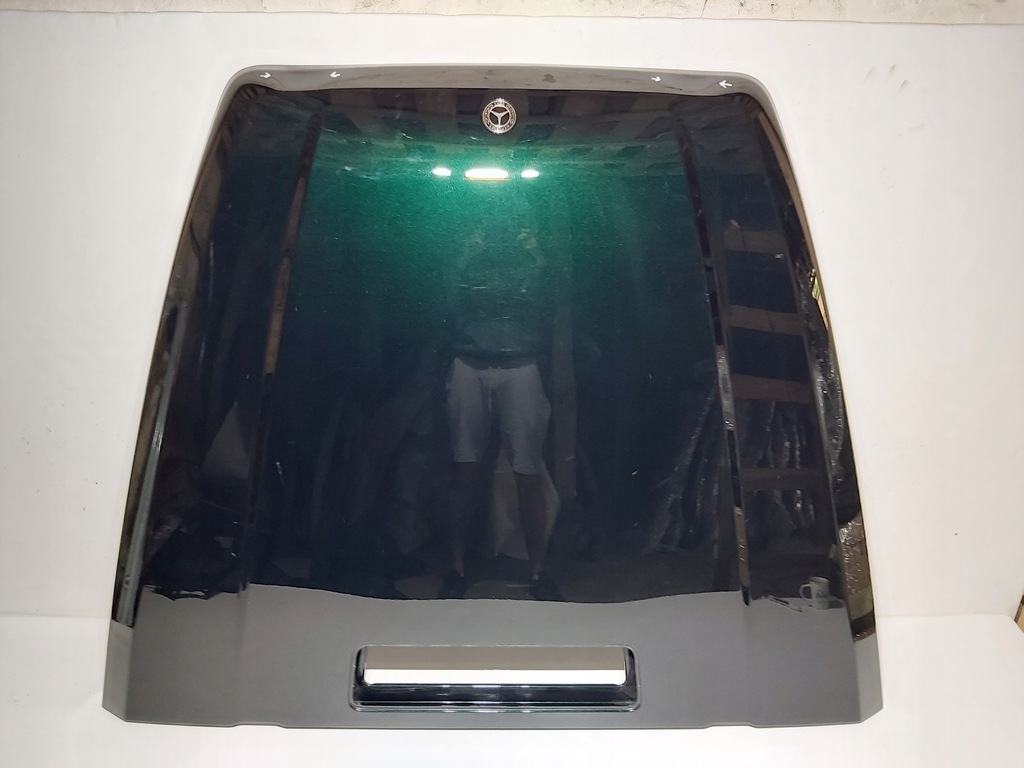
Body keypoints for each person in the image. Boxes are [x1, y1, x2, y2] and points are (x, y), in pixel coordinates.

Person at [439, 229, 562, 600]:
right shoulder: (468, 245)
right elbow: (445, 303)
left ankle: (538, 571)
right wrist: (464, 255)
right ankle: (456, 568)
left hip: (521, 362)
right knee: (463, 468)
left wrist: (537, 257)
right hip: (469, 361)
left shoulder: (531, 250)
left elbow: (549, 302)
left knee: (528, 470)